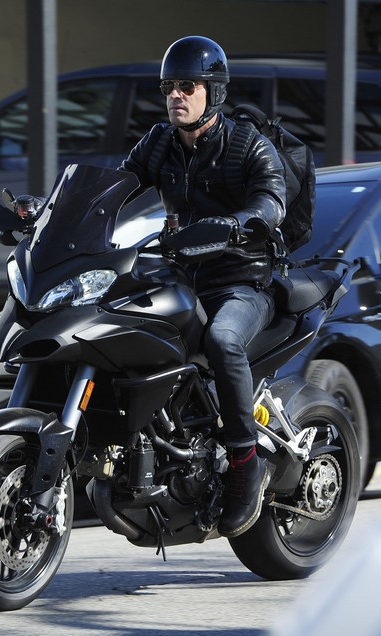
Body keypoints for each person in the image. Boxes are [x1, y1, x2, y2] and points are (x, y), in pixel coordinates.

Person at [120, 35, 286, 538]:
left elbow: (272, 201)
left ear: (213, 91)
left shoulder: (248, 146)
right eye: (168, 86)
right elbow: (113, 188)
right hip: (180, 277)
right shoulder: (159, 143)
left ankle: (244, 461)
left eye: (187, 86)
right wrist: (52, 210)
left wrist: (238, 224)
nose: (175, 95)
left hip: (241, 281)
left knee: (222, 340)